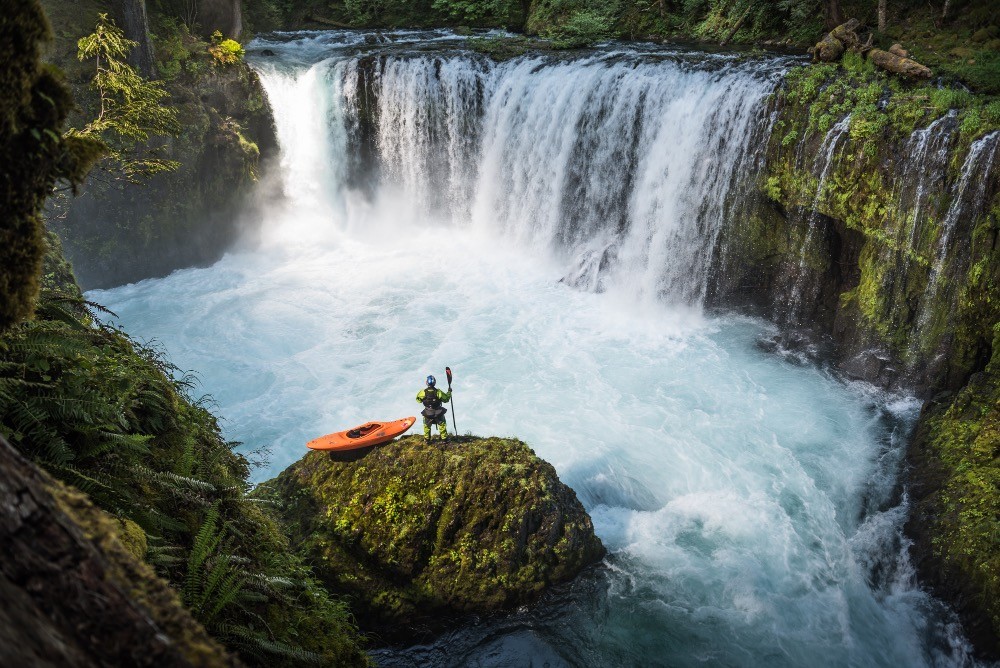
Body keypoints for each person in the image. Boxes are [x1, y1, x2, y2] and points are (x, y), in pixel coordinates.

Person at [416, 375, 451, 442]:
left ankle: (427, 439)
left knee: (426, 426)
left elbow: (418, 400)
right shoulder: (438, 392)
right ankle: (444, 439)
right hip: (438, 412)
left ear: (427, 383)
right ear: (434, 383)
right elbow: (446, 399)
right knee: (442, 424)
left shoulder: (422, 392)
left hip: (428, 413)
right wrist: (449, 392)